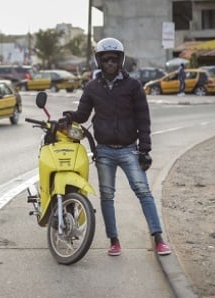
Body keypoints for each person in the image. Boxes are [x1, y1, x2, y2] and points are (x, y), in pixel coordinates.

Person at [62, 37, 171, 256]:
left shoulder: (133, 86)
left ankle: (158, 238)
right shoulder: (92, 87)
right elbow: (83, 115)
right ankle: (114, 241)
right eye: (105, 59)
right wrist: (68, 117)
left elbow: (143, 118)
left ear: (120, 60)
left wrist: (145, 149)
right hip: (103, 151)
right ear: (99, 62)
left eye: (114, 59)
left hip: (130, 149)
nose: (110, 63)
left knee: (143, 192)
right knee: (106, 195)